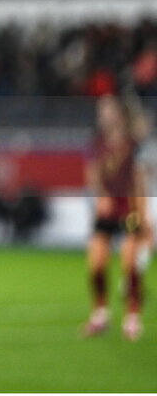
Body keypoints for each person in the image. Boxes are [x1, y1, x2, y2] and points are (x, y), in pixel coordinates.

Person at [82, 94, 150, 341]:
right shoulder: (97, 144)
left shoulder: (134, 145)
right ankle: (100, 314)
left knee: (129, 263)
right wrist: (100, 196)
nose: (103, 115)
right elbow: (92, 175)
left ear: (119, 113)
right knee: (96, 262)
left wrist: (144, 215)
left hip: (129, 210)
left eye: (107, 109)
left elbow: (140, 180)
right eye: (101, 110)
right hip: (107, 212)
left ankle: (132, 317)